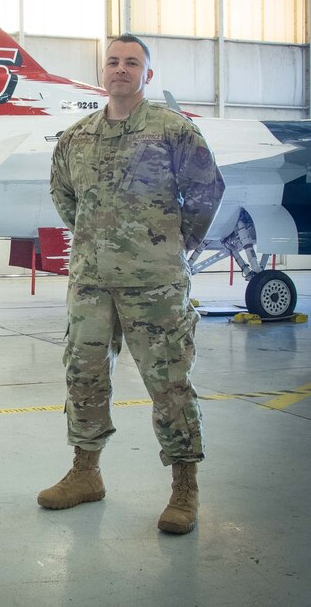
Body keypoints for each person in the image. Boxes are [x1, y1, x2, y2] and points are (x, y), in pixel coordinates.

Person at [38, 33, 225, 534]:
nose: (121, 69)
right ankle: (86, 474)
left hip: (155, 285)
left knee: (168, 383)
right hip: (91, 284)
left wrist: (173, 244)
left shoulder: (172, 131)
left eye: (132, 63)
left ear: (148, 74)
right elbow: (64, 197)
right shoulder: (76, 137)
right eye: (114, 61)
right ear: (104, 71)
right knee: (84, 375)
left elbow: (207, 190)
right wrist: (99, 242)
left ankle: (185, 488)